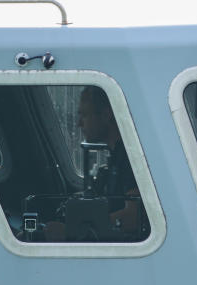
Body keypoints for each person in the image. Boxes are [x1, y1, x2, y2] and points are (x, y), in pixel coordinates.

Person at [45, 86, 144, 241]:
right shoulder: (117, 156)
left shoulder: (130, 157)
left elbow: (133, 218)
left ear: (106, 115)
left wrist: (72, 231)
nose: (79, 124)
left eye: (84, 115)